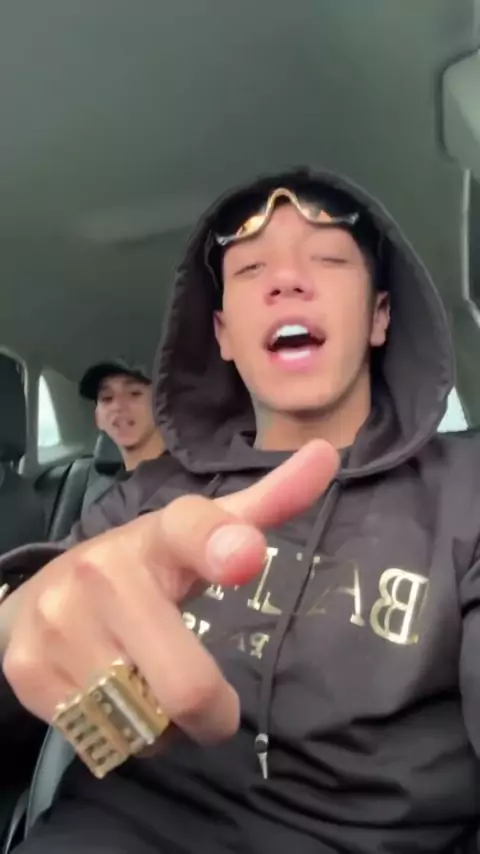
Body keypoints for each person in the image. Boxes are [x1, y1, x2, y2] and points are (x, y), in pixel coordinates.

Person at [0, 168, 480, 853]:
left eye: (328, 258)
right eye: (251, 268)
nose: (286, 280)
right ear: (223, 334)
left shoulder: (467, 492)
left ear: (379, 317)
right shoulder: (143, 498)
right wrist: (17, 620)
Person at [79, 359, 165, 472]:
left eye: (134, 393)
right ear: (98, 418)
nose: (117, 406)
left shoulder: (184, 479)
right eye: (107, 398)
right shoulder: (105, 483)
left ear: (162, 406)